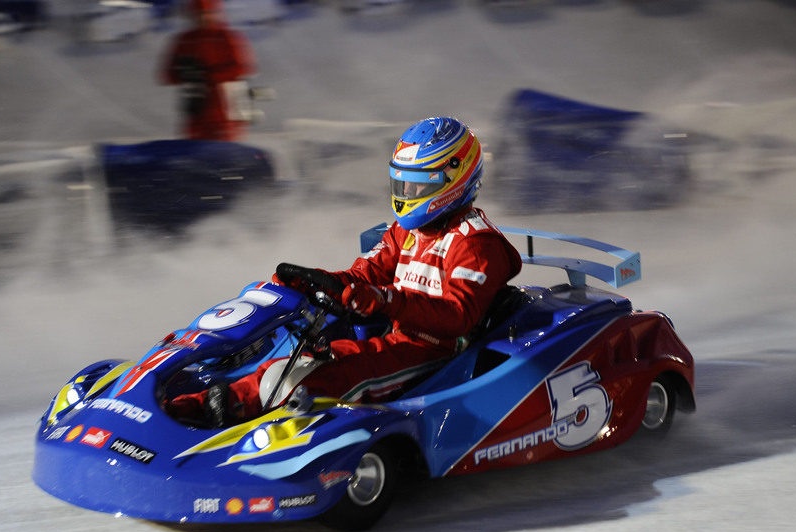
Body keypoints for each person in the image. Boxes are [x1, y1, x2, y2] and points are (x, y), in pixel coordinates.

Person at [169, 116, 522, 426]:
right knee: (286, 362)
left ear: (453, 179)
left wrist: (385, 300)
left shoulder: (476, 243)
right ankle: (199, 409)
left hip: (436, 354)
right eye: (403, 184)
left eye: (419, 185)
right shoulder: (407, 231)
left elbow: (459, 315)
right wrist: (318, 283)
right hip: (394, 339)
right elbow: (365, 274)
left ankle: (253, 448)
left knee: (322, 382)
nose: (408, 193)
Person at [156, 0, 256, 141]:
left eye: (206, 13)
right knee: (195, 148)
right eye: (197, 14)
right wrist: (186, 75)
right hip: (198, 107)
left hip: (226, 106)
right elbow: (167, 75)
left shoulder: (227, 37)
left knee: (226, 148)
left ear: (216, 13)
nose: (202, 18)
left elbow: (243, 68)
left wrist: (209, 76)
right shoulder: (185, 40)